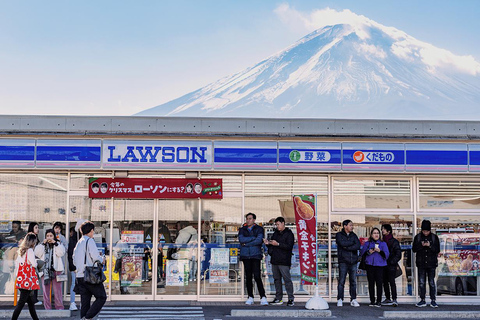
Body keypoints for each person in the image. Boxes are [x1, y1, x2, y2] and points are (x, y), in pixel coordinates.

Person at [73, 221, 107, 320]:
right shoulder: (90, 241)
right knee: (101, 297)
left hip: (80, 275)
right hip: (90, 275)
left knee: (85, 301)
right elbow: (96, 257)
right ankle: (87, 317)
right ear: (91, 231)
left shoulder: (79, 242)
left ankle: (84, 317)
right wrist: (102, 259)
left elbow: (74, 260)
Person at [264, 216, 295, 306]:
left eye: (278, 224)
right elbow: (273, 246)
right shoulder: (275, 233)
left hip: (284, 260)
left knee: (287, 280)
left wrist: (278, 244)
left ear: (283, 223)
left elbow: (289, 246)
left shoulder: (289, 234)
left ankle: (291, 298)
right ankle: (278, 298)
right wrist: (268, 244)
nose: (277, 226)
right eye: (276, 224)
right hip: (275, 260)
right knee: (277, 280)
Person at [238, 212, 268, 306]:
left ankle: (263, 297)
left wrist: (246, 244)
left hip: (256, 255)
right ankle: (250, 296)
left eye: (250, 218)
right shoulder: (242, 229)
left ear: (254, 220)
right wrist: (252, 239)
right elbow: (241, 239)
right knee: (248, 277)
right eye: (247, 218)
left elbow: (259, 240)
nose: (248, 220)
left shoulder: (259, 229)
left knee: (257, 276)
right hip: (246, 255)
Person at [34, 229, 66, 310]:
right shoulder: (41, 245)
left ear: (54, 236)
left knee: (58, 291)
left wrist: (55, 243)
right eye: (47, 236)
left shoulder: (58, 244)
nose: (49, 238)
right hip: (45, 271)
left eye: (51, 236)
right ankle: (47, 308)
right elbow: (37, 253)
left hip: (56, 270)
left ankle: (59, 307)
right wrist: (42, 244)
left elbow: (61, 253)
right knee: (46, 291)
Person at [12, 233, 40, 320]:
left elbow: (18, 264)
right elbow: (34, 265)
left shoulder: (21, 250)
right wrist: (37, 261)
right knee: (21, 303)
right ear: (32, 242)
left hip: (21, 280)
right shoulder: (30, 251)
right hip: (28, 282)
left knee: (31, 303)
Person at [412, 220, 440, 308]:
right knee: (421, 282)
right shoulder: (418, 237)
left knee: (431, 282)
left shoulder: (434, 237)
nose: (425, 233)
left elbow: (437, 250)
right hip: (421, 263)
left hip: (431, 264)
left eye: (427, 231)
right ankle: (422, 299)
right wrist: (422, 245)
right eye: (424, 231)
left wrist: (430, 246)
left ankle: (433, 300)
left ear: (430, 230)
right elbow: (414, 249)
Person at [359, 228, 389, 307]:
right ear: (371, 235)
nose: (376, 235)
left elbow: (387, 255)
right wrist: (369, 252)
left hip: (380, 266)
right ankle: (372, 301)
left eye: (378, 233)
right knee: (371, 283)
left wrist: (380, 251)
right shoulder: (367, 243)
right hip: (370, 265)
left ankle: (378, 301)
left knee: (379, 283)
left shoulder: (383, 244)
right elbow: (362, 253)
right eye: (374, 233)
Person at [335, 219, 361, 307]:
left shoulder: (354, 235)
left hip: (353, 261)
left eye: (352, 225)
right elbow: (341, 243)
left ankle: (353, 299)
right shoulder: (339, 235)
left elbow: (358, 245)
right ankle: (340, 299)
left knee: (353, 281)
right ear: (345, 226)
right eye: (350, 225)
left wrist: (347, 247)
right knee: (341, 281)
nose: (352, 227)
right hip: (343, 261)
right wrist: (351, 244)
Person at [381, 224, 402, 307]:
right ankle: (387, 298)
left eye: (384, 229)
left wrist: (392, 262)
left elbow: (398, 254)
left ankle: (394, 299)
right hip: (383, 264)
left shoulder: (394, 242)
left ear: (388, 231)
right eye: (382, 229)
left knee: (392, 282)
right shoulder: (381, 241)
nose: (382, 230)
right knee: (385, 282)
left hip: (391, 265)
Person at [27, 222, 42, 306]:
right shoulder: (31, 237)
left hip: (32, 261)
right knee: (34, 281)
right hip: (32, 262)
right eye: (36, 227)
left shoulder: (32, 237)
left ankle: (31, 299)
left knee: (33, 281)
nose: (38, 229)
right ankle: (33, 300)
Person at [67, 227, 79, 311]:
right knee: (74, 284)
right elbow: (71, 255)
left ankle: (73, 302)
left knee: (74, 284)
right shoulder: (74, 241)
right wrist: (73, 267)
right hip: (76, 267)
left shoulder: (75, 240)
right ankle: (72, 302)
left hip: (75, 267)